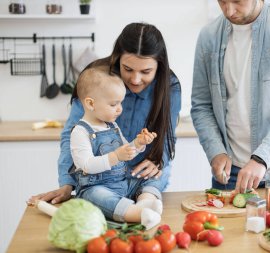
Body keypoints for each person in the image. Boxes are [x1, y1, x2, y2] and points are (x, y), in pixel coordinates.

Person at [29, 23, 181, 222]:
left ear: (159, 66)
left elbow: (167, 136)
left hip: (138, 170)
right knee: (95, 194)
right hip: (99, 176)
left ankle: (147, 201)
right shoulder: (97, 77)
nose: (135, 79)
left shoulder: (170, 86)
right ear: (118, 58)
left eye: (146, 72)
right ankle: (135, 212)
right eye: (128, 69)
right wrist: (67, 184)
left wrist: (158, 160)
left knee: (156, 175)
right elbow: (72, 136)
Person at [191, 0, 270, 193]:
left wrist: (263, 158)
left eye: (237, 1)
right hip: (230, 170)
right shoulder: (208, 36)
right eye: (222, 1)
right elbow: (201, 106)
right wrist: (216, 151)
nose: (229, 11)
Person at [70, 67, 162, 228]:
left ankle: (145, 203)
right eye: (114, 104)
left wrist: (138, 144)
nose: (120, 109)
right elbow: (86, 165)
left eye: (121, 102)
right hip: (96, 187)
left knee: (149, 177)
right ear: (91, 103)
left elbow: (126, 151)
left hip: (122, 182)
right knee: (97, 197)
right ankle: (140, 214)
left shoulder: (112, 126)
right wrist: (115, 157)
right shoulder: (80, 132)